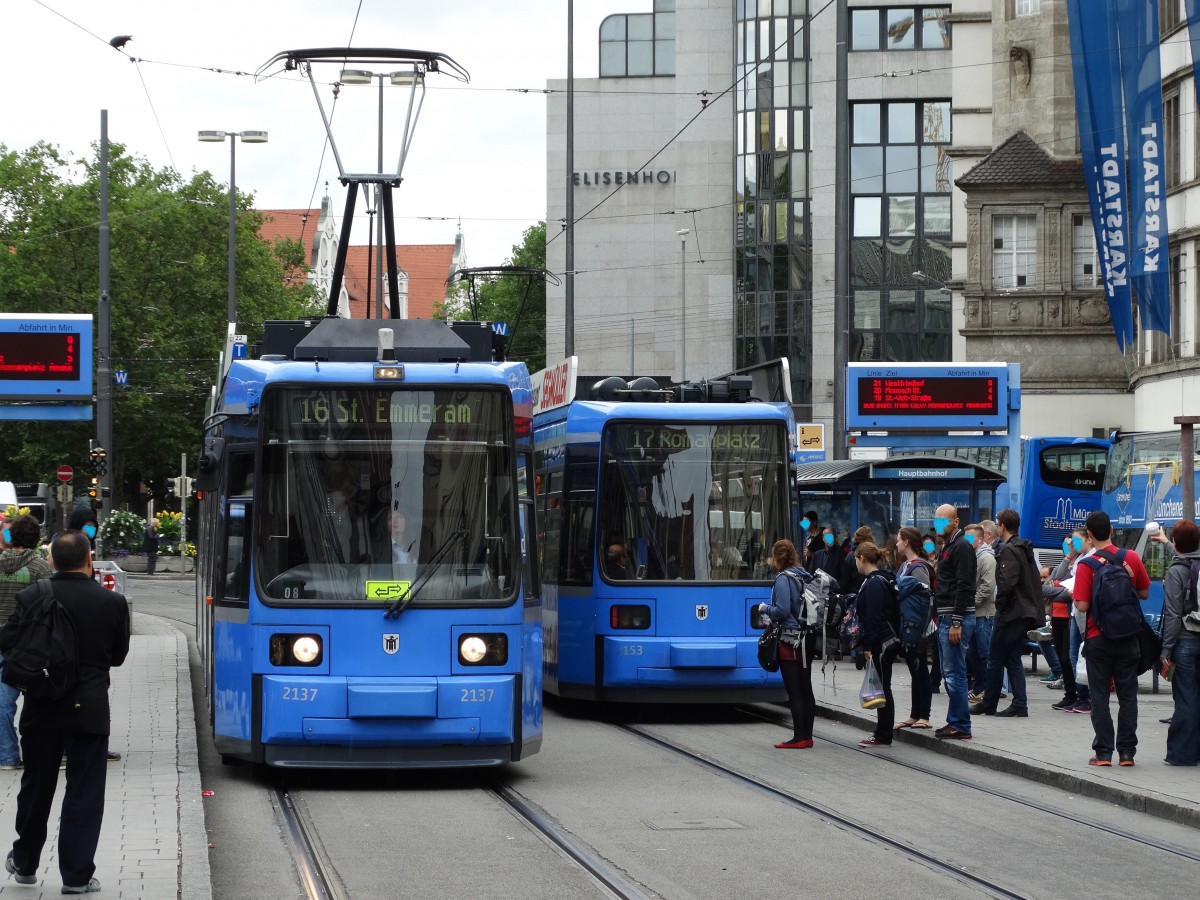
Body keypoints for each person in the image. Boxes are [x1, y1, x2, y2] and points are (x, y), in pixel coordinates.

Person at [1, 530, 129, 894]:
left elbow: (9, 642)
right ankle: (76, 876)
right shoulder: (112, 602)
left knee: (36, 786)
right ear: (89, 559)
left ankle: (25, 863)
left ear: (52, 561)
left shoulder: (33, 596)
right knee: (84, 791)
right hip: (89, 708)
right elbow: (117, 656)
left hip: (42, 705)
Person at [1072, 510, 1150, 767]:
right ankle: (1127, 753)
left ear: (1089, 535)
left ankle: (1104, 753)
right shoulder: (1130, 557)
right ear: (1112, 531)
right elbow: (1144, 592)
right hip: (1128, 638)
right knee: (1128, 697)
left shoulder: (1086, 565)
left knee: (1100, 697)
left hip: (1099, 638)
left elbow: (1082, 606)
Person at [971, 509, 1041, 718]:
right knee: (1012, 658)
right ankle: (1019, 703)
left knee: (994, 658)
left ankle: (989, 702)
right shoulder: (1023, 547)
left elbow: (1007, 583)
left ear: (1002, 526)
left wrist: (1000, 606)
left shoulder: (1010, 550)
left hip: (1012, 612)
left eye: (997, 523)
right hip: (1023, 611)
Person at [0, 515, 53, 771]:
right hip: (31, 643)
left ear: (11, 538)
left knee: (2, 702)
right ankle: (44, 753)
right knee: (42, 701)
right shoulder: (41, 568)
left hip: (1, 642)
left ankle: (7, 756)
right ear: (36, 538)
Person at [758, 540, 817, 749]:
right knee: (806, 688)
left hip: (790, 641)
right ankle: (807, 736)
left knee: (794, 690)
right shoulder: (803, 574)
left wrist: (764, 608)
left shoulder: (783, 579)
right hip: (807, 638)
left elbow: (781, 610)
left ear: (777, 558)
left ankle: (798, 737)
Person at [932, 503, 977, 740]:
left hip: (955, 617)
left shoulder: (960, 546)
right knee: (949, 671)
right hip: (948, 615)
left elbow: (964, 584)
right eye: (937, 520)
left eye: (944, 520)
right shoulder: (949, 545)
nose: (939, 525)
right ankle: (956, 721)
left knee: (954, 672)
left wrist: (957, 621)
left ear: (956, 522)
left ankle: (960, 724)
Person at [1160, 519, 1200, 766]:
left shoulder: (1177, 571)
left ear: (1176, 542)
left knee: (1186, 698)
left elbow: (1173, 615)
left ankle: (1182, 755)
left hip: (1185, 641)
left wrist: (1166, 650)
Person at [855, 542, 900, 746]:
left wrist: (868, 646)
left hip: (881, 641)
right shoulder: (880, 579)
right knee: (883, 685)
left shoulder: (873, 583)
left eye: (856, 559)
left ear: (862, 558)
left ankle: (883, 734)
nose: (855, 563)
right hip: (885, 639)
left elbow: (873, 617)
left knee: (883, 687)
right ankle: (882, 732)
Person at [894, 526, 934, 731]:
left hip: (917, 628)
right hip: (907, 626)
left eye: (899, 539)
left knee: (920, 671)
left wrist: (920, 630)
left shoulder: (919, 568)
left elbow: (925, 601)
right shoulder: (905, 565)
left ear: (907, 542)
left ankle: (924, 716)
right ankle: (914, 714)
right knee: (914, 670)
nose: (896, 543)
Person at [1046, 529, 1089, 712]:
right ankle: (1072, 694)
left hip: (1071, 615)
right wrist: (1068, 557)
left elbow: (1075, 592)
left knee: (1070, 657)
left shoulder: (1085, 561)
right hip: (1060, 615)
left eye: (1073, 542)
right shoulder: (1069, 563)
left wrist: (1059, 590)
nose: (1070, 546)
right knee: (1066, 658)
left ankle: (1081, 696)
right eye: (1067, 544)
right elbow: (1047, 587)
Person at [965, 522, 996, 701]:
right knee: (975, 654)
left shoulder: (986, 558)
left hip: (983, 613)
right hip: (975, 612)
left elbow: (987, 587)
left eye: (971, 537)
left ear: (981, 538)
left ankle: (985, 690)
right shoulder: (973, 556)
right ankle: (978, 689)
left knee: (984, 653)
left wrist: (971, 602)